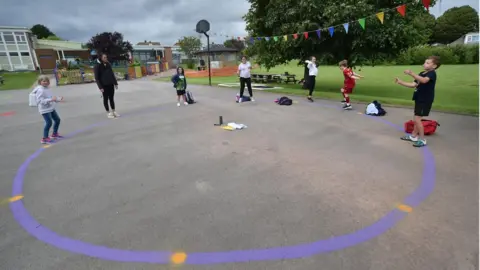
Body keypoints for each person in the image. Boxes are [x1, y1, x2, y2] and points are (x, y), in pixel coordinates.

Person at [395, 56, 440, 147]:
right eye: (425, 62)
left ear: (434, 66)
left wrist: (411, 73)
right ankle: (413, 136)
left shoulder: (432, 73)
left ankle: (422, 139)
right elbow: (413, 84)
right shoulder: (422, 73)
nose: (424, 64)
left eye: (428, 63)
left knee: (417, 119)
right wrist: (401, 82)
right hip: (419, 98)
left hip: (425, 99)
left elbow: (424, 81)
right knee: (416, 119)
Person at [34, 75, 63, 144]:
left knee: (57, 120)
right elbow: (40, 101)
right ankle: (45, 138)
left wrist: (58, 99)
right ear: (40, 82)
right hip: (44, 110)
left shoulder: (47, 88)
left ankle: (54, 134)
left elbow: (51, 97)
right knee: (49, 122)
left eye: (47, 81)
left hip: (51, 108)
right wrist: (50, 99)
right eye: (43, 81)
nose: (45, 82)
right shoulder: (40, 90)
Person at [94, 53, 119, 118]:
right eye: (104, 57)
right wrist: (100, 87)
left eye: (106, 57)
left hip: (110, 84)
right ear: (101, 58)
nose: (106, 58)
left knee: (111, 98)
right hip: (104, 85)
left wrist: (115, 83)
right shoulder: (97, 66)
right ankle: (108, 112)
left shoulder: (108, 64)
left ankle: (114, 111)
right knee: (105, 99)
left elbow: (112, 74)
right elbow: (97, 78)